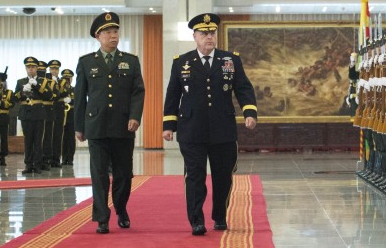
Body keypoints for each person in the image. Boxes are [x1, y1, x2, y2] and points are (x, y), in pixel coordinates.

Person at [162, 13, 258, 236]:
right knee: (194, 177)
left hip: (222, 130)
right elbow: (172, 95)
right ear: (194, 36)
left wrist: (249, 112)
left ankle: (220, 216)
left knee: (222, 176)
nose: (209, 37)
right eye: (204, 33)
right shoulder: (182, 62)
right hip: (192, 130)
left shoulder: (230, 60)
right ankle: (196, 220)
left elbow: (243, 88)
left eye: (212, 33)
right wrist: (169, 125)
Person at [75, 12, 145, 234]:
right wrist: (78, 126)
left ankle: (121, 209)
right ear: (98, 36)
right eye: (108, 32)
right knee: (99, 174)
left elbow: (138, 92)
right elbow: (79, 97)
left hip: (124, 126)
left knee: (124, 174)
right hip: (96, 126)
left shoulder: (130, 61)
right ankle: (101, 217)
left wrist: (135, 116)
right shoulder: (86, 62)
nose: (113, 36)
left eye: (115, 31)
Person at [14, 57, 53, 174]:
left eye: (33, 67)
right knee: (28, 141)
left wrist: (36, 85)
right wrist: (22, 92)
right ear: (26, 68)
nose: (30, 69)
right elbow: (14, 98)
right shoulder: (20, 82)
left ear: (36, 68)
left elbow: (49, 96)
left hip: (39, 113)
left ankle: (37, 164)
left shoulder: (43, 81)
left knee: (37, 140)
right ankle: (28, 165)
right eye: (28, 67)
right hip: (26, 113)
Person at [60, 69, 75, 165]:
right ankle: (63, 157)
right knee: (62, 138)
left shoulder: (75, 89)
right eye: (64, 78)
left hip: (71, 116)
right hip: (61, 115)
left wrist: (71, 101)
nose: (66, 80)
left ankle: (70, 158)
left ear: (71, 79)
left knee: (70, 138)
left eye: (68, 78)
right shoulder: (60, 89)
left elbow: (79, 101)